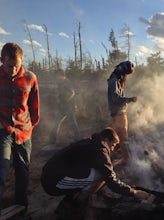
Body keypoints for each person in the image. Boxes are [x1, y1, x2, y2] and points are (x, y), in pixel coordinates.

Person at [41, 127, 149, 219]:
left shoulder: (88, 142)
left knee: (93, 174)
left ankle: (73, 197)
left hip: (48, 175)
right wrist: (134, 192)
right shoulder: (101, 151)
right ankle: (74, 205)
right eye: (113, 145)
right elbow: (111, 181)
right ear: (106, 139)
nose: (112, 149)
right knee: (101, 176)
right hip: (54, 183)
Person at [0, 43, 40, 214]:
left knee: (23, 174)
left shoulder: (30, 77)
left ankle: (22, 211)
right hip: (3, 130)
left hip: (24, 133)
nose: (14, 69)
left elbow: (35, 106)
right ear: (2, 60)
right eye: (10, 65)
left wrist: (31, 126)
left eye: (18, 64)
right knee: (1, 170)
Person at [107, 60, 137, 165]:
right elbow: (116, 99)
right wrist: (130, 99)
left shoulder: (114, 80)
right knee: (123, 140)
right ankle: (127, 161)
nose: (126, 76)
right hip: (119, 115)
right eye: (126, 74)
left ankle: (114, 158)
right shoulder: (114, 81)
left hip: (118, 114)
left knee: (116, 139)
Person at [49, 68, 81, 144]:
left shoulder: (67, 83)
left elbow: (71, 93)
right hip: (63, 107)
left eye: (57, 76)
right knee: (57, 122)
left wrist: (63, 101)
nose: (56, 78)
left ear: (61, 75)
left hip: (69, 107)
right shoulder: (60, 83)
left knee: (72, 123)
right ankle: (52, 139)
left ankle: (78, 139)